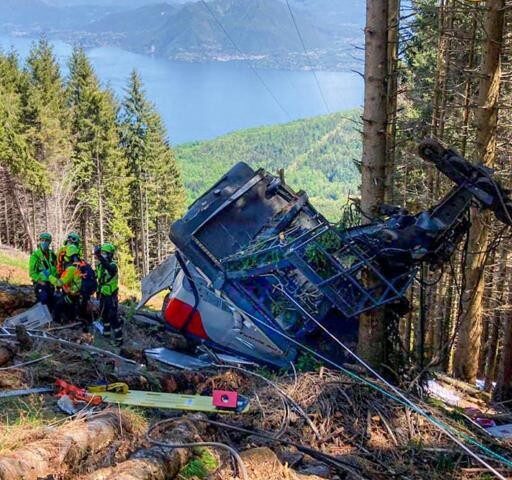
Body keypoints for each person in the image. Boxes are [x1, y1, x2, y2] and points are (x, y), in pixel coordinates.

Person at [95, 243, 122, 346]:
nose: (103, 255)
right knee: (104, 316)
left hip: (111, 296)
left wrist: (99, 256)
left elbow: (109, 269)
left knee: (113, 317)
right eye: (102, 253)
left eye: (105, 253)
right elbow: (98, 278)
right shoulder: (99, 266)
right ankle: (106, 335)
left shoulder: (113, 265)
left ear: (110, 254)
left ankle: (119, 339)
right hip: (103, 295)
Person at [50, 244, 83, 325]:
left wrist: (49, 276)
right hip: (76, 294)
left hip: (72, 295)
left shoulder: (71, 269)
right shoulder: (79, 266)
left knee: (58, 304)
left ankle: (56, 322)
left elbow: (59, 283)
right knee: (70, 308)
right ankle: (71, 320)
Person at [29, 232, 57, 311]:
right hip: (41, 284)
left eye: (46, 240)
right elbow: (32, 272)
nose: (44, 242)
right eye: (42, 240)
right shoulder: (36, 255)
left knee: (51, 303)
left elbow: (55, 269)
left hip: (51, 283)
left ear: (49, 242)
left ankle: (51, 321)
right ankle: (41, 320)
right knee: (43, 300)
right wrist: (39, 280)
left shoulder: (52, 254)